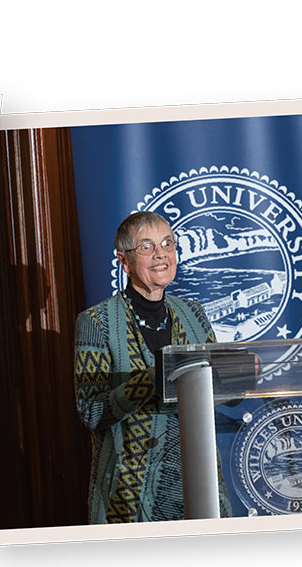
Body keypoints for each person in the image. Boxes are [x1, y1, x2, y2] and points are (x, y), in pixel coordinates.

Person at [73, 211, 232, 523]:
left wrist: (239, 375)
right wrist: (152, 378)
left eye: (167, 244)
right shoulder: (96, 322)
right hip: (129, 495)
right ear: (124, 261)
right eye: (147, 247)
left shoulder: (194, 314)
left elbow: (216, 386)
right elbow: (91, 411)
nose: (161, 254)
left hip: (199, 485)